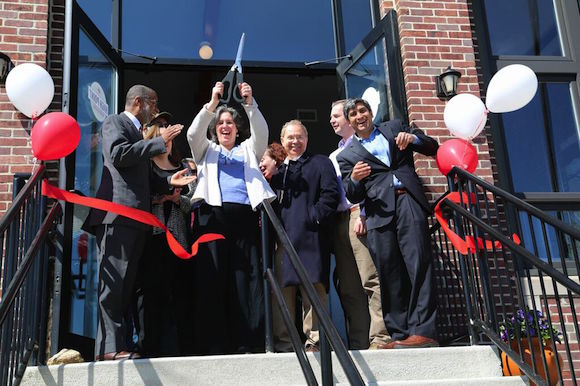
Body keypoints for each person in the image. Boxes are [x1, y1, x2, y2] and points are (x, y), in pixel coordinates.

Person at [83, 85, 194, 361]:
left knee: (125, 286)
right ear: (138, 102)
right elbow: (119, 155)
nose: (155, 110)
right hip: (117, 217)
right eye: (153, 104)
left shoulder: (138, 135)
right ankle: (108, 348)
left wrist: (170, 180)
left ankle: (116, 345)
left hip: (137, 221)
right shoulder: (114, 123)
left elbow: (145, 178)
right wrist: (159, 141)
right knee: (113, 286)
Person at [337, 98, 439, 349]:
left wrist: (412, 139)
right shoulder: (346, 155)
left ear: (371, 113)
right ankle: (399, 334)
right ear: (349, 122)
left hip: (408, 202)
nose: (359, 116)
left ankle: (423, 330)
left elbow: (431, 146)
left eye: (363, 111)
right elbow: (352, 195)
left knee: (418, 264)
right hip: (378, 213)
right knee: (389, 272)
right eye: (353, 114)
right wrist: (356, 179)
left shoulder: (394, 128)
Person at [186, 81, 276, 354]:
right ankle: (213, 344)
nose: (225, 126)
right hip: (212, 219)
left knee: (245, 282)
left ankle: (246, 342)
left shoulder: (248, 150)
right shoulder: (206, 150)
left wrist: (249, 103)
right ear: (215, 129)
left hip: (245, 220)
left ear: (237, 129)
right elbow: (192, 133)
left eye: (230, 123)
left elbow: (262, 133)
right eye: (221, 123)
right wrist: (213, 103)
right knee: (213, 281)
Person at [270, 120, 340, 352]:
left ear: (306, 139)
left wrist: (313, 217)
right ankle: (286, 343)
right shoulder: (278, 173)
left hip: (311, 237)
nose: (295, 141)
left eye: (299, 136)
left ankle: (315, 341)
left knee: (314, 289)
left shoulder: (320, 163)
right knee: (283, 291)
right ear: (282, 141)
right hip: (284, 239)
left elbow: (331, 195)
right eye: (290, 137)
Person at [328, 100, 391, 350]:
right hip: (340, 222)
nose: (332, 121)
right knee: (350, 287)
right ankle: (359, 342)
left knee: (371, 279)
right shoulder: (336, 154)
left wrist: (363, 213)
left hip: (359, 215)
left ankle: (380, 338)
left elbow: (373, 183)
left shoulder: (366, 146)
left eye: (336, 116)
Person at [136, 111, 194, 357]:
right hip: (152, 239)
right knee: (151, 294)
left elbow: (194, 202)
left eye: (168, 125)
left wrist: (178, 199)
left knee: (180, 293)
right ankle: (149, 348)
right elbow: (136, 200)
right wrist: (160, 197)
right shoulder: (144, 166)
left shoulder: (183, 166)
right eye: (159, 125)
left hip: (179, 241)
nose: (166, 129)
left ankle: (180, 348)